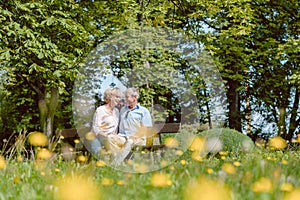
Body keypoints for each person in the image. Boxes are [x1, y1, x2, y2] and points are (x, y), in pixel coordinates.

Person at [89, 87, 127, 156]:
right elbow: (96, 129)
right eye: (117, 97)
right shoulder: (100, 110)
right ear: (110, 97)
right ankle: (116, 161)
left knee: (125, 142)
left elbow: (115, 129)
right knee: (102, 150)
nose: (118, 99)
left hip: (112, 139)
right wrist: (107, 136)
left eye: (119, 97)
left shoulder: (116, 111)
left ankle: (117, 161)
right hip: (99, 137)